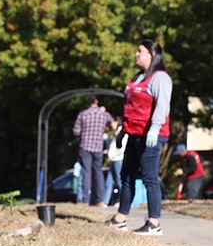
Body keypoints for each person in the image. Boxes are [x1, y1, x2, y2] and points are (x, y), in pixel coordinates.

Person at [106, 39, 172, 235]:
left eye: (140, 51)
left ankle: (154, 223)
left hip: (151, 136)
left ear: (152, 55)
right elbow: (131, 109)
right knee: (126, 175)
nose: (136, 54)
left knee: (150, 178)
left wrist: (155, 128)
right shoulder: (139, 78)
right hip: (133, 134)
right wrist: (123, 132)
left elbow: (162, 105)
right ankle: (120, 219)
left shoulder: (160, 78)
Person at [72, 95, 114, 207]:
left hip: (85, 146)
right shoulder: (104, 114)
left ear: (86, 104)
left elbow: (76, 131)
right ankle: (99, 200)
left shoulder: (83, 114)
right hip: (98, 147)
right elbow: (113, 124)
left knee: (86, 173)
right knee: (98, 172)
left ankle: (85, 200)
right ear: (96, 101)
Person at [103, 116, 126, 206]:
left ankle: (121, 201)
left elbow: (121, 147)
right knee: (109, 182)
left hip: (118, 159)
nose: (111, 125)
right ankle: (105, 201)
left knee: (119, 181)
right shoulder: (114, 133)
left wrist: (113, 154)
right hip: (113, 159)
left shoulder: (121, 132)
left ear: (117, 122)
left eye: (112, 123)